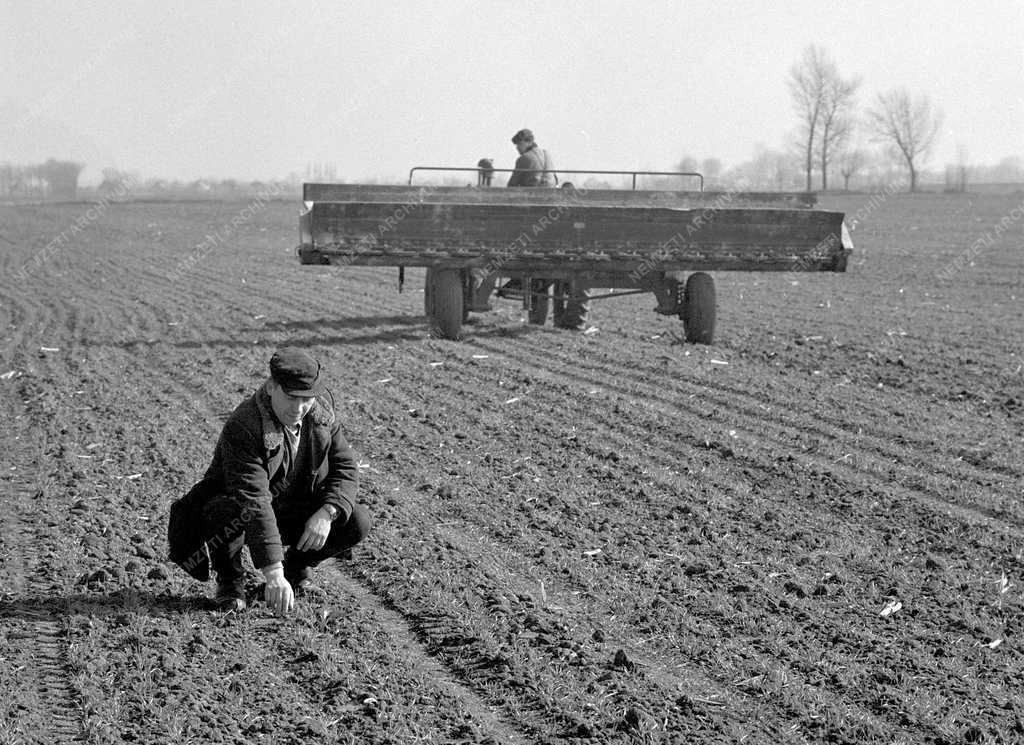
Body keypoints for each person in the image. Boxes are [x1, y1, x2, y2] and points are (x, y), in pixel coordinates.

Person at [168, 347, 370, 613]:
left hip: (295, 509)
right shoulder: (245, 424)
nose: (299, 408)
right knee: (221, 510)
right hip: (245, 516)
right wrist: (272, 573)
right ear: (272, 387)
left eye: (306, 398)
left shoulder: (322, 414)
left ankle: (296, 570)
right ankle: (230, 584)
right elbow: (254, 499)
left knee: (357, 520)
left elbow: (344, 466)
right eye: (291, 397)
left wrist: (327, 511)